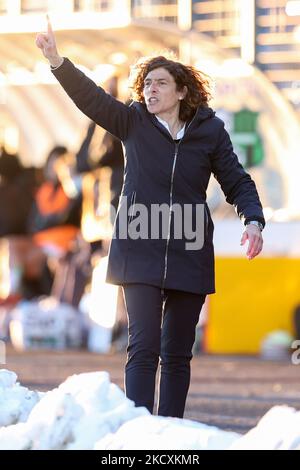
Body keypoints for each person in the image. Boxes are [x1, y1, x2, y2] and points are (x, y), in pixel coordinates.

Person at [36, 17, 265, 418]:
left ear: (181, 92)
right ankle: (138, 437)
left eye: (160, 83)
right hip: (138, 247)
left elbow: (236, 180)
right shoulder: (132, 121)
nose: (150, 89)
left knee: (178, 353)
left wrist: (253, 221)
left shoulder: (211, 132)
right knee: (143, 348)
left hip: (189, 249)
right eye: (146, 84)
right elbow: (91, 99)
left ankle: (170, 436)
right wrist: (57, 61)